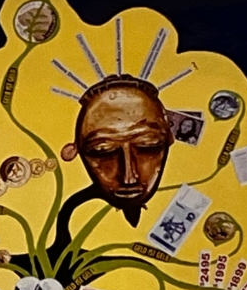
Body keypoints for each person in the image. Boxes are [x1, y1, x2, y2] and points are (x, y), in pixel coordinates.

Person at [60, 75, 172, 227]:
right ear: (73, 150)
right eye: (103, 151)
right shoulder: (74, 216)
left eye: (147, 146)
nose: (129, 178)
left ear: (169, 140)